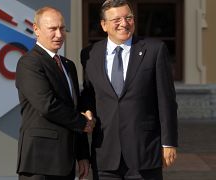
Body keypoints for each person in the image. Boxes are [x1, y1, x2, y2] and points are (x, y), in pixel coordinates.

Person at [80, 0, 178, 179]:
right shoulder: (89, 54)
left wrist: (168, 143)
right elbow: (89, 92)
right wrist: (87, 110)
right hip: (105, 154)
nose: (124, 23)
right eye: (116, 19)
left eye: (128, 17)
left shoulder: (154, 50)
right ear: (104, 25)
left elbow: (167, 100)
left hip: (144, 153)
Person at [15, 6, 94, 180]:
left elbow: (74, 107)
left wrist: (82, 154)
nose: (59, 34)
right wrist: (83, 122)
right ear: (36, 29)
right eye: (52, 29)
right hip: (40, 162)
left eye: (62, 28)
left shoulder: (68, 65)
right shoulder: (29, 63)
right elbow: (47, 105)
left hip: (65, 162)